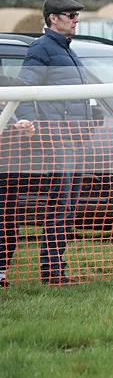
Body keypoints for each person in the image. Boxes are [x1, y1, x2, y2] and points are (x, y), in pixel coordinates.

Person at [13, 0, 91, 285]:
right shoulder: (42, 48)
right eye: (70, 15)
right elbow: (23, 89)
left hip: (74, 140)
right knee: (60, 209)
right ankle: (53, 272)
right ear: (53, 19)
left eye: (76, 15)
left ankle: (56, 269)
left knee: (67, 209)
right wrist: (27, 121)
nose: (76, 20)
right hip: (58, 142)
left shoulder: (66, 48)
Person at [0, 76, 36, 288]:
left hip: (11, 178)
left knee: (10, 227)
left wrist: (26, 132)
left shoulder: (11, 111)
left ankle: (2, 274)